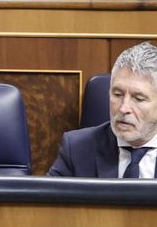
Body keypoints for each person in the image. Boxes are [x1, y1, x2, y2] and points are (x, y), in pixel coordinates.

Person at [48, 42, 157, 177]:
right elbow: (47, 192)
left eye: (138, 99)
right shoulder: (77, 149)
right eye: (117, 94)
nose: (123, 108)